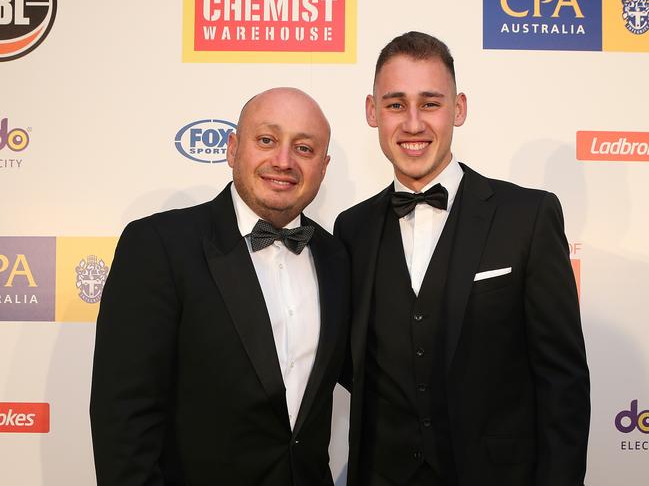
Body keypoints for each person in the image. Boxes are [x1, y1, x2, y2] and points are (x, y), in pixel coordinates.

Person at [334, 32, 590, 486]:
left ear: (460, 108)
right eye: (395, 105)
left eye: (430, 103)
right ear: (372, 112)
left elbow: (562, 383)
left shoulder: (527, 216)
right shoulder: (351, 229)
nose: (413, 124)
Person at [90, 87, 350, 486]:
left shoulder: (337, 258)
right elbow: (123, 415)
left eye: (304, 148)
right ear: (232, 149)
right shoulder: (160, 245)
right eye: (267, 140)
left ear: (323, 166)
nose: (283, 161)